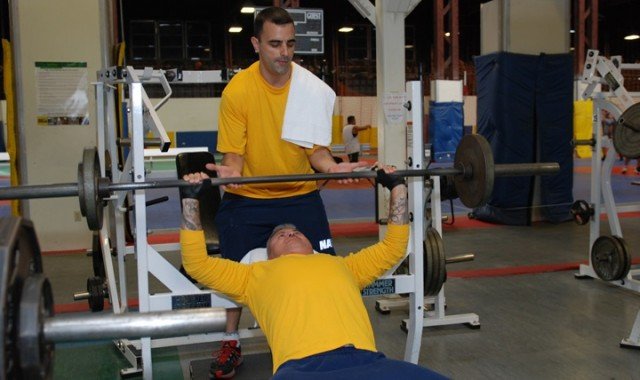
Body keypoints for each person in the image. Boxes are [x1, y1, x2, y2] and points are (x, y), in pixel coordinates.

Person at [204, 6, 367, 378]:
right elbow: (235, 154)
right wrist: (231, 173)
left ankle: (334, 341)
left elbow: (318, 152)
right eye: (275, 44)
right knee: (234, 274)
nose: (284, 53)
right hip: (250, 198)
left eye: (290, 44)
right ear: (256, 44)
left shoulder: (309, 88)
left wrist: (332, 167)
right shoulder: (238, 91)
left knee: (327, 268)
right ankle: (232, 340)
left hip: (300, 195)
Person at [180, 167, 447, 380]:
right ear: (267, 251)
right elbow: (197, 264)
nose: (289, 232)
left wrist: (397, 187)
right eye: (279, 235)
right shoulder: (252, 275)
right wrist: (191, 198)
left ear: (311, 244)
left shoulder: (343, 265)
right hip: (300, 370)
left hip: (368, 362)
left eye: (296, 232)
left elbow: (393, 248)